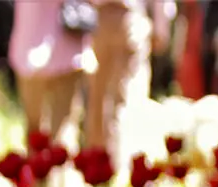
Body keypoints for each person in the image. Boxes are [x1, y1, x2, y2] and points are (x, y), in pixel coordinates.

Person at [87, 0, 172, 168]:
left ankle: (99, 166)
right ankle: (123, 166)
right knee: (127, 98)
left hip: (99, 20)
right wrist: (161, 28)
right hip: (127, 18)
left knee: (99, 99)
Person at [9, 0, 90, 145]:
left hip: (32, 52)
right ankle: (54, 165)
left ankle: (37, 165)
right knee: (62, 128)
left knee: (36, 129)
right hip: (63, 51)